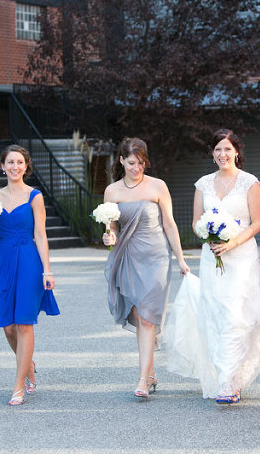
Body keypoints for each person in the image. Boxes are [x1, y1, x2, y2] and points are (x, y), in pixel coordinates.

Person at [167, 128, 260, 404]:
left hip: (240, 258)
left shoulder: (249, 182)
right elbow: (195, 221)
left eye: (227, 149)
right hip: (211, 257)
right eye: (218, 149)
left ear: (236, 152)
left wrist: (232, 242)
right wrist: (208, 235)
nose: (222, 154)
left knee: (235, 315)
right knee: (215, 314)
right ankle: (223, 376)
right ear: (212, 153)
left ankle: (229, 379)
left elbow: (258, 223)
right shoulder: (202, 184)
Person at [102, 138, 190, 398]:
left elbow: (169, 224)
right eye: (131, 163)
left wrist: (181, 259)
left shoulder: (158, 186)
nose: (136, 168)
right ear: (121, 161)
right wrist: (109, 236)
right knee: (140, 317)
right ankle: (149, 373)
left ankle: (142, 379)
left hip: (156, 257)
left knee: (149, 317)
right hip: (127, 256)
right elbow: (111, 226)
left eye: (140, 163)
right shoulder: (112, 191)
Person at [0, 145, 60, 405]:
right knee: (8, 327)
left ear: (26, 167)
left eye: (20, 162)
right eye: (10, 162)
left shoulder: (34, 196)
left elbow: (40, 235)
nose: (15, 167)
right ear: (2, 166)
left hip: (29, 260)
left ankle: (18, 385)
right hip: (3, 260)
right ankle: (27, 363)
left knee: (24, 323)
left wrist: (47, 270)